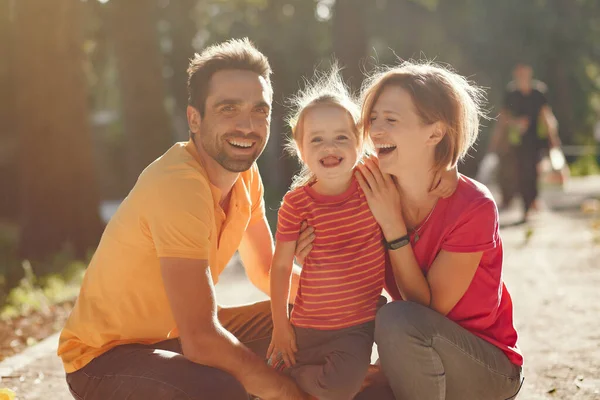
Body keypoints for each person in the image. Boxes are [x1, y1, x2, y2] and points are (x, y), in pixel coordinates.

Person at [57, 38, 313, 400]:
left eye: (260, 110)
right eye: (229, 109)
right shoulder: (179, 184)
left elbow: (267, 271)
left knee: (318, 319)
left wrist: (345, 300)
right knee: (220, 388)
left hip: (172, 341)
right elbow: (202, 340)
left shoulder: (246, 176)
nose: (248, 125)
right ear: (194, 118)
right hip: (103, 362)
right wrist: (286, 392)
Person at [267, 67, 458, 400]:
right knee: (273, 380)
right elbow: (281, 266)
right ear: (300, 149)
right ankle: (291, 381)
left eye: (341, 137)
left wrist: (450, 169)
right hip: (305, 323)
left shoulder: (373, 179)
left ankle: (298, 381)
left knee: (338, 388)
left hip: (356, 326)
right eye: (317, 139)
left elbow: (419, 166)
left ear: (360, 143)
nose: (330, 147)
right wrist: (281, 326)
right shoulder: (296, 203)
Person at [351, 61, 524, 399]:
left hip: (487, 365)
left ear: (434, 132)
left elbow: (425, 310)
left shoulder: (474, 206)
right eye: (373, 119)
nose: (376, 130)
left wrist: (392, 225)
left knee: (397, 317)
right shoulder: (371, 187)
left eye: (391, 119)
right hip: (410, 353)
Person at [489, 62, 561, 220]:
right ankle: (526, 206)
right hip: (516, 142)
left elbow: (546, 116)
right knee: (520, 172)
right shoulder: (511, 94)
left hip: (535, 141)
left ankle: (533, 200)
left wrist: (553, 138)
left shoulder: (538, 92)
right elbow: (503, 119)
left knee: (533, 171)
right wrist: (513, 126)